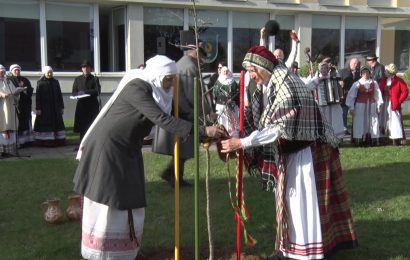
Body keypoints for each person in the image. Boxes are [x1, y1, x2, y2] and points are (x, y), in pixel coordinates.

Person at [73, 55, 225, 260]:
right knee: (110, 202)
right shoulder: (137, 88)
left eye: (173, 79)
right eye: (168, 79)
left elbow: (178, 114)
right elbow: (163, 119)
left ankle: (126, 250)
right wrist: (204, 130)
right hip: (108, 150)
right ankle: (104, 252)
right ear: (156, 75)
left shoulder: (159, 92)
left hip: (127, 150)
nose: (171, 84)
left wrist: (206, 124)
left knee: (130, 198)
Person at [221, 46, 358, 259]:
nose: (250, 75)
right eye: (247, 70)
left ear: (264, 66)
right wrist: (236, 133)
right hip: (288, 153)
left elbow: (278, 128)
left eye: (252, 69)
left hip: (307, 154)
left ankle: (306, 252)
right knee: (286, 203)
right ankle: (289, 249)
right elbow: (257, 118)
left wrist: (243, 143)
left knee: (301, 205)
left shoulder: (288, 85)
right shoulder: (266, 86)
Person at [156, 30, 213, 187]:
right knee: (183, 149)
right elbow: (193, 94)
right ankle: (173, 175)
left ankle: (174, 176)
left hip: (181, 111)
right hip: (185, 113)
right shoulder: (189, 67)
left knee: (183, 149)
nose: (202, 57)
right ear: (194, 52)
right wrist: (206, 112)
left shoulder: (183, 64)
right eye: (200, 53)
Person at [346, 66, 383, 146]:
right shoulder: (357, 84)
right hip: (360, 105)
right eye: (363, 73)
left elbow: (378, 94)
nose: (365, 74)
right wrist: (351, 107)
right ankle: (360, 140)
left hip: (372, 105)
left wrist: (378, 105)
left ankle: (372, 140)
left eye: (367, 72)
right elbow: (351, 96)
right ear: (361, 74)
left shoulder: (374, 82)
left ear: (369, 73)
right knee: (360, 122)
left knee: (373, 121)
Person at [306, 61, 345, 139]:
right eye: (322, 68)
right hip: (321, 105)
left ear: (328, 69)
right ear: (319, 69)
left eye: (325, 68)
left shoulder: (334, 76)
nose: (323, 70)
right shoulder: (316, 77)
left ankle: (336, 139)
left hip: (334, 105)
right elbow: (308, 87)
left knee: (336, 122)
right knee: (323, 122)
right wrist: (319, 79)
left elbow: (340, 84)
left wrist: (341, 84)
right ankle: (324, 138)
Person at [33, 66, 66, 147]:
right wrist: (38, 108)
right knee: (46, 123)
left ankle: (58, 141)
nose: (49, 74)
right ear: (44, 73)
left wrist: (62, 106)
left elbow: (59, 95)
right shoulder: (40, 83)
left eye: (51, 72)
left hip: (55, 107)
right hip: (45, 108)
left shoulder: (55, 82)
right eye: (48, 72)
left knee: (57, 123)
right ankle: (46, 142)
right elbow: (38, 97)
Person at [378, 63, 409, 145]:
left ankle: (396, 139)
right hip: (384, 103)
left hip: (393, 103)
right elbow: (379, 91)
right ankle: (384, 138)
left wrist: (399, 101)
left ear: (390, 72)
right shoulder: (383, 80)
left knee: (394, 120)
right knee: (384, 119)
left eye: (386, 71)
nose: (385, 72)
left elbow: (405, 92)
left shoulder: (399, 81)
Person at [72, 60, 101, 142]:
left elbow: (97, 91)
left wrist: (85, 92)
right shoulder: (78, 79)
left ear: (90, 69)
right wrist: (77, 94)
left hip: (92, 106)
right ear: (82, 69)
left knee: (91, 125)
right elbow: (74, 92)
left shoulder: (94, 79)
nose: (85, 69)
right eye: (83, 67)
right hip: (81, 105)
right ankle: (81, 144)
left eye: (87, 67)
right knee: (82, 126)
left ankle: (92, 143)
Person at [0, 64, 25, 157]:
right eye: (0, 72)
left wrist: (17, 92)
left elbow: (13, 92)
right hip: (1, 108)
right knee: (3, 125)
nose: (2, 73)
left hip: (10, 106)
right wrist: (1, 94)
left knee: (10, 125)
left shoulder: (8, 81)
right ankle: (1, 150)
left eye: (3, 71)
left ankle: (9, 150)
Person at [8, 64, 34, 147]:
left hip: (25, 103)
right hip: (16, 104)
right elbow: (9, 90)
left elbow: (30, 89)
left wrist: (25, 89)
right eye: (15, 70)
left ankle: (27, 141)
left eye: (18, 70)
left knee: (26, 121)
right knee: (19, 122)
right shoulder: (9, 80)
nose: (17, 71)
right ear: (11, 71)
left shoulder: (24, 79)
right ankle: (19, 142)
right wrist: (17, 91)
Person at [213, 66, 239, 137]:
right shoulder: (218, 82)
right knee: (222, 121)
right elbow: (215, 93)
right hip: (221, 105)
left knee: (232, 122)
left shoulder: (233, 82)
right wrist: (223, 100)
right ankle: (222, 135)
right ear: (221, 72)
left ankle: (233, 136)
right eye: (224, 71)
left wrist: (231, 99)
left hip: (232, 105)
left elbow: (237, 93)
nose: (225, 72)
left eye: (226, 71)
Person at [338, 57, 360, 134]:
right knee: (344, 113)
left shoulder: (358, 73)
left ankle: (355, 129)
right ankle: (344, 128)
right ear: (350, 63)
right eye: (354, 63)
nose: (356, 65)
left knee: (354, 113)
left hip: (355, 97)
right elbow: (337, 80)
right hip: (344, 96)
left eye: (357, 63)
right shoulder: (342, 71)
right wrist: (340, 82)